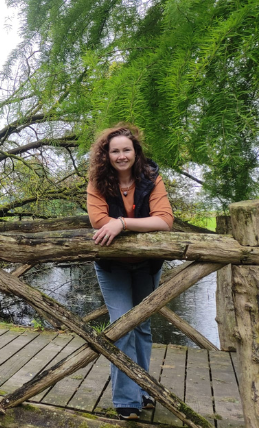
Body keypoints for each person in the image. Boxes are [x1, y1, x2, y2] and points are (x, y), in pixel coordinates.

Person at [86, 123, 173, 420]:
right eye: (115, 151)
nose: (121, 155)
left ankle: (144, 388)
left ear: (135, 152)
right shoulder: (98, 181)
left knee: (143, 327)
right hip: (112, 266)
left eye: (127, 149)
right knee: (122, 326)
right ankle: (127, 400)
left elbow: (164, 220)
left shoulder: (151, 177)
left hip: (147, 265)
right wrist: (117, 223)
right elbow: (99, 220)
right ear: (106, 155)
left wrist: (121, 223)